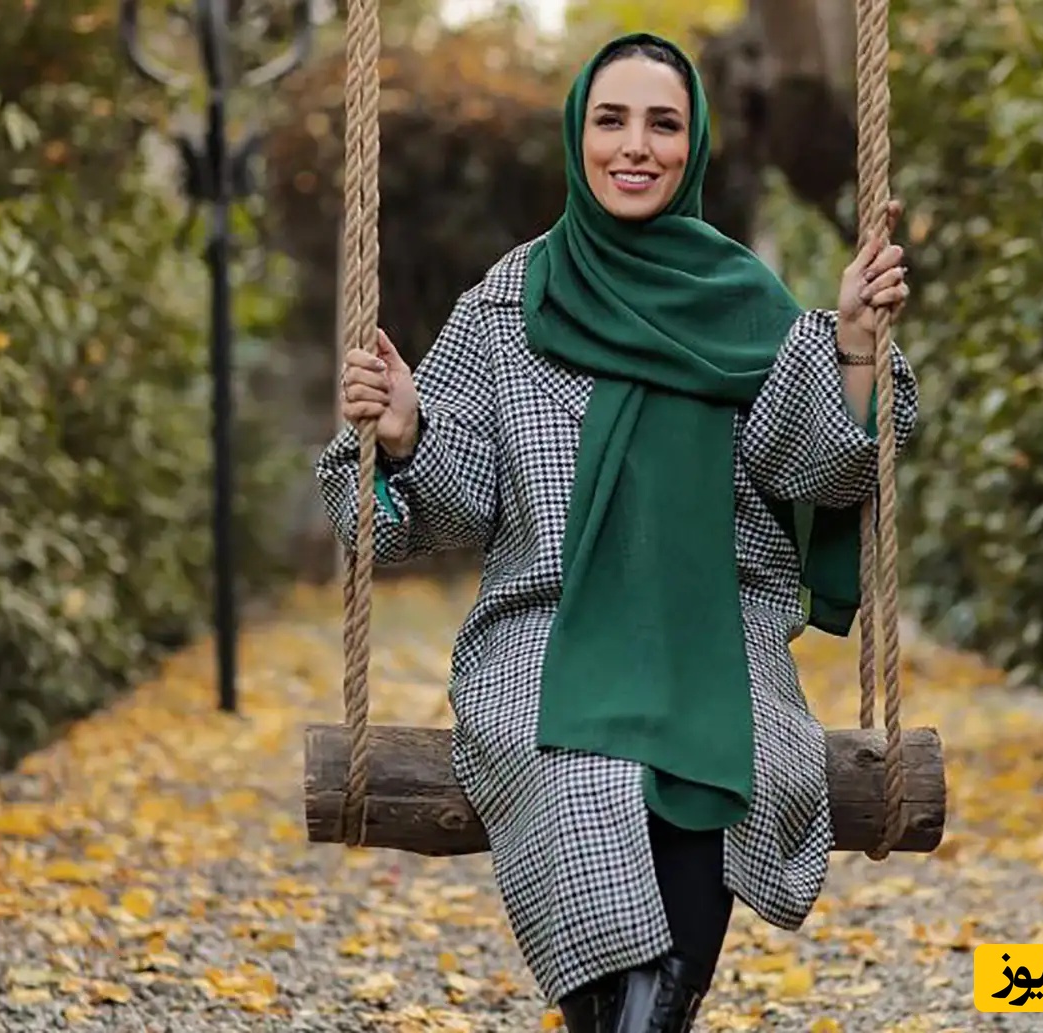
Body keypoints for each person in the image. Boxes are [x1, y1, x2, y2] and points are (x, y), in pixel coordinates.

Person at [317, 31, 918, 1033]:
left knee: (725, 751)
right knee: (578, 759)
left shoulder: (746, 306)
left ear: (694, 144)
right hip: (545, 629)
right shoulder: (507, 304)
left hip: (716, 629)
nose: (635, 145)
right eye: (611, 119)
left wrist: (854, 345)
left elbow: (812, 467)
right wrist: (408, 433)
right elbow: (448, 510)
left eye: (663, 124)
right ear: (578, 136)